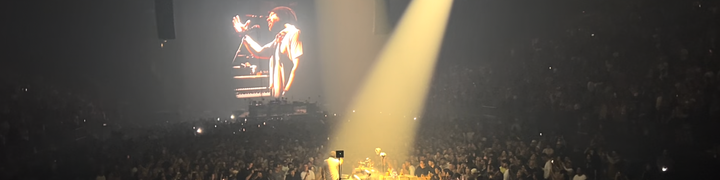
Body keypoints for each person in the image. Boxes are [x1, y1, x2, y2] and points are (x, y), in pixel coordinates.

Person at [233, 6, 303, 98]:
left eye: (271, 15)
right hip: (279, 98)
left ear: (283, 16)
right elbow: (260, 52)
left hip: (288, 98)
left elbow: (298, 66)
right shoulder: (279, 39)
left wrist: (287, 91)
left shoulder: (294, 33)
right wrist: (244, 34)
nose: (267, 19)